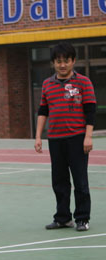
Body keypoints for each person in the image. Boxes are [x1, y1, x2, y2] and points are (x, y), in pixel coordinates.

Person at [34, 42, 96, 232]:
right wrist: (38, 137)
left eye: (66, 61)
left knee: (80, 180)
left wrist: (88, 137)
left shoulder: (83, 82)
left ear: (73, 61)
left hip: (77, 138)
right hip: (55, 139)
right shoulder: (47, 84)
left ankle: (82, 218)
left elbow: (90, 110)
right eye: (58, 61)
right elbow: (43, 111)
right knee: (59, 181)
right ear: (53, 63)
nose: (62, 65)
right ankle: (62, 218)